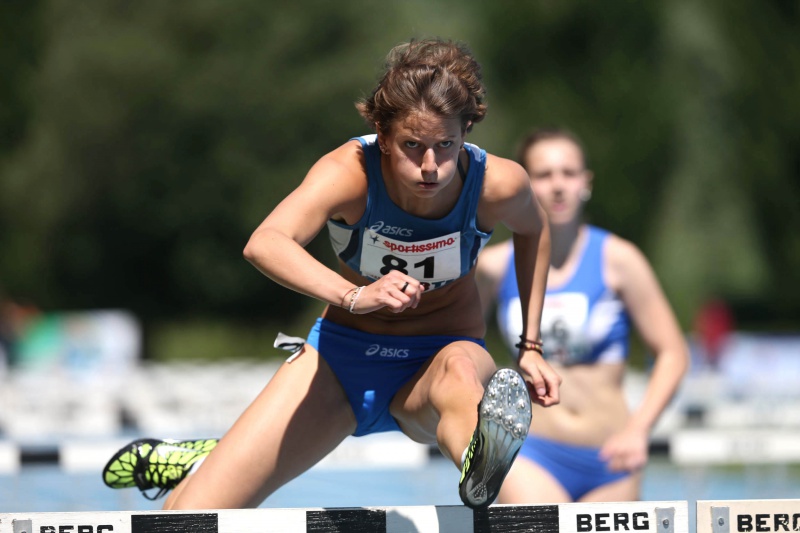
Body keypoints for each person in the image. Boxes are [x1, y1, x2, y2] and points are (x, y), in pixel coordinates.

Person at [101, 38, 560, 510]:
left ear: (466, 131)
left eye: (445, 145)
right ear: (384, 136)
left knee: (461, 376)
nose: (430, 166)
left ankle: (478, 464)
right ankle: (216, 462)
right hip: (343, 362)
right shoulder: (350, 173)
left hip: (441, 354)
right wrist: (354, 296)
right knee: (191, 515)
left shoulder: (497, 184)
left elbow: (535, 229)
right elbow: (265, 242)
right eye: (412, 146)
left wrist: (530, 345)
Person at [476, 127, 688, 503]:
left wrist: (640, 429)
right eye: (544, 175)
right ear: (523, 185)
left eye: (569, 173)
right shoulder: (492, 267)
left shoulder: (620, 260)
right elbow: (458, 346)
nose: (558, 186)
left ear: (585, 182)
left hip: (610, 457)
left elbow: (673, 353)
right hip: (531, 452)